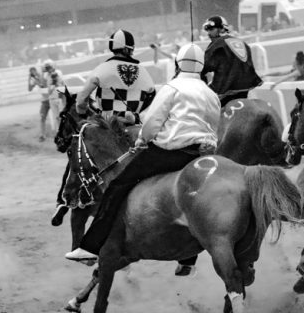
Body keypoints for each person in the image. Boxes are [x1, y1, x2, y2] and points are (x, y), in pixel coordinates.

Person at [65, 43, 221, 271]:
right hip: (202, 155)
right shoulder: (211, 93)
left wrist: (141, 141)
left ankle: (90, 247)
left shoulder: (172, 87)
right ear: (201, 66)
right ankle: (188, 259)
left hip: (171, 152)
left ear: (178, 64)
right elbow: (213, 126)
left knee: (118, 186)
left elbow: (152, 121)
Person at [52, 29, 156, 227]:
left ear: (112, 47)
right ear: (131, 48)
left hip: (105, 128)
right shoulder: (145, 73)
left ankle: (65, 200)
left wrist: (83, 112)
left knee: (77, 154)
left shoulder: (102, 69)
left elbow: (82, 99)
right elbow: (152, 98)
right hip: (135, 129)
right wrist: (134, 114)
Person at [75, 29, 156, 123]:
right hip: (134, 122)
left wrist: (82, 111)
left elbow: (82, 96)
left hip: (107, 123)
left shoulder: (101, 69)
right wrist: (136, 112)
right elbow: (152, 96)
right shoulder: (143, 71)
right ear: (129, 49)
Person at [200, 15, 263, 107]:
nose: (209, 33)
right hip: (245, 90)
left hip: (224, 90)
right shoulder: (243, 43)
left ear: (222, 29)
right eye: (208, 30)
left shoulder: (216, 45)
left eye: (212, 29)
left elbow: (204, 67)